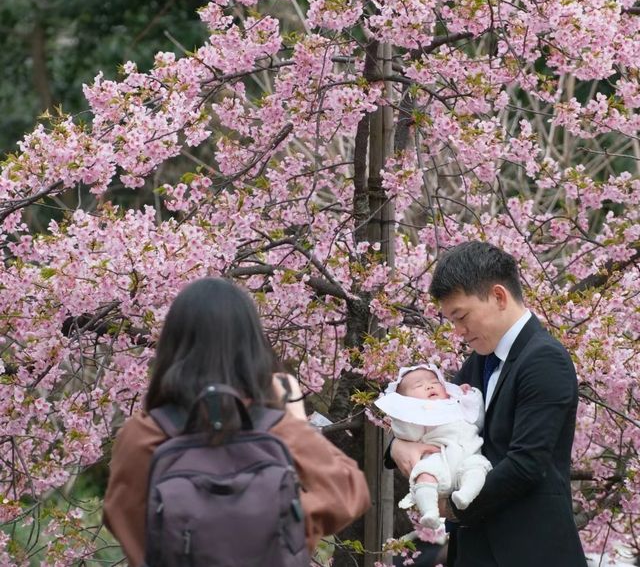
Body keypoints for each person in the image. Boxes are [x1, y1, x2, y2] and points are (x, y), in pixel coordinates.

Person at [103, 277, 371, 566]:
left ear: (172, 345)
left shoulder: (144, 434)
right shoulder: (276, 428)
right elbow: (348, 491)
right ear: (253, 346)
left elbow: (122, 518)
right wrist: (280, 519)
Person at [389, 241, 588, 567]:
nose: (458, 331)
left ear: (498, 296)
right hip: (476, 550)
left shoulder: (544, 359)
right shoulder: (479, 362)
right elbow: (440, 419)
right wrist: (398, 446)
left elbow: (526, 465)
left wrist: (450, 507)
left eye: (461, 316)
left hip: (531, 551)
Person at [375, 364, 491, 528]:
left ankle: (465, 495)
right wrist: (403, 413)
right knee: (424, 474)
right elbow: (409, 434)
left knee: (477, 469)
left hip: (469, 453)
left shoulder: (456, 403)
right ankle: (430, 510)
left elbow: (478, 420)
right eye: (419, 386)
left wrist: (470, 396)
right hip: (439, 456)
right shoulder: (420, 414)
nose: (429, 386)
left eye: (434, 382)